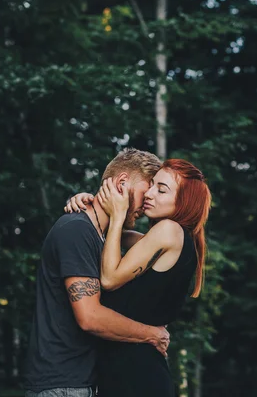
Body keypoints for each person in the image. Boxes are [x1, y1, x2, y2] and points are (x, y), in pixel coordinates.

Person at [22, 148, 170, 397]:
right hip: (62, 386)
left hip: (82, 383)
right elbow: (89, 316)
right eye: (146, 192)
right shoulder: (76, 230)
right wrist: (152, 335)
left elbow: (155, 246)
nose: (146, 205)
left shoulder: (101, 236)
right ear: (122, 183)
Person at [65, 158, 211, 397]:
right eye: (151, 185)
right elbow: (115, 236)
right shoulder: (171, 240)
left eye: (161, 189)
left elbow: (110, 279)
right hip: (132, 374)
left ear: (184, 202)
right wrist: (94, 207)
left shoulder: (168, 231)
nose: (149, 194)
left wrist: (118, 215)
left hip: (137, 378)